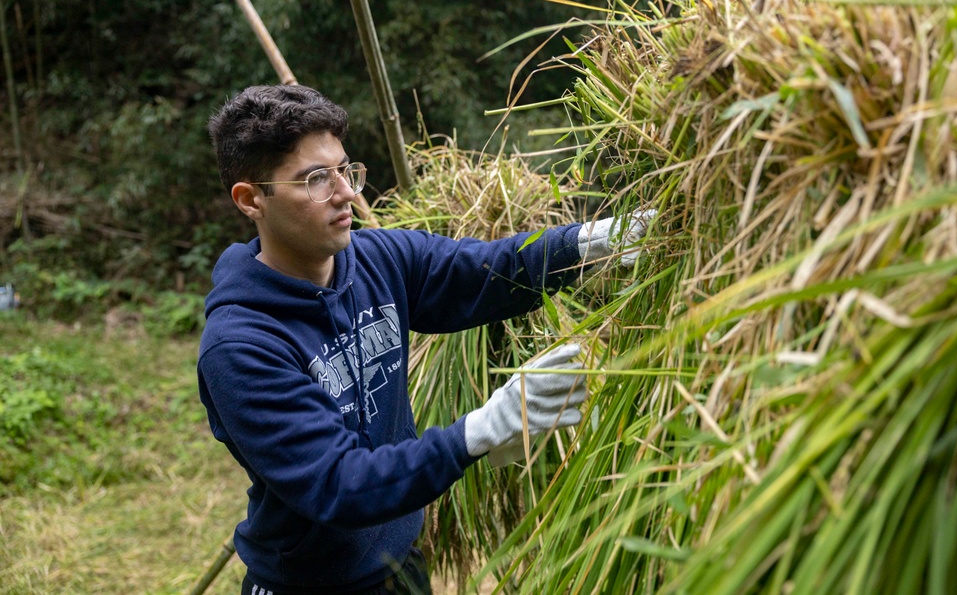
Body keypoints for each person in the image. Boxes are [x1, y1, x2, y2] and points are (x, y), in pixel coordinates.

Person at [197, 84, 654, 594]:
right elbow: (339, 482)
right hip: (308, 585)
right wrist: (483, 429)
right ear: (251, 198)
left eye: (346, 171)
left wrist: (600, 241)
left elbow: (489, 270)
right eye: (315, 180)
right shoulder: (241, 347)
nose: (347, 193)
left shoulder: (378, 260)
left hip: (400, 565)